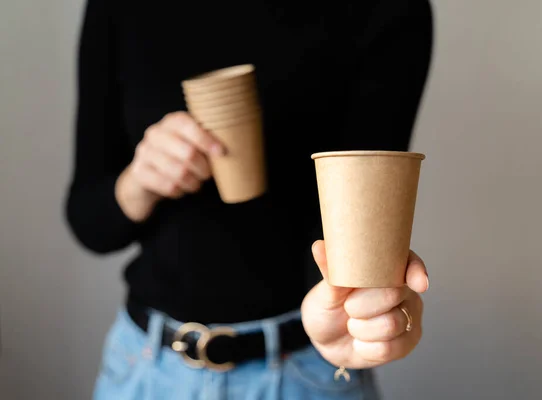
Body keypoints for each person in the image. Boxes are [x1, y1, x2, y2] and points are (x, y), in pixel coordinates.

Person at [64, 0, 434, 398]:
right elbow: (89, 222)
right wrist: (139, 182)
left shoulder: (387, 9)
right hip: (145, 367)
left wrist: (349, 312)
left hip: (305, 369)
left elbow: (362, 200)